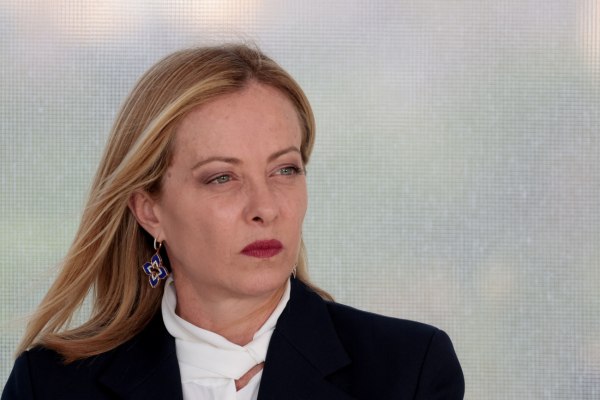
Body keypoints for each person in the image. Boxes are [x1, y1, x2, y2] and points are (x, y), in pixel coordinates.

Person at [2, 44, 464, 400]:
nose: (266, 207)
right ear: (149, 210)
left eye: (285, 170)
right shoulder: (49, 385)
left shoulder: (408, 370)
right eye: (222, 177)